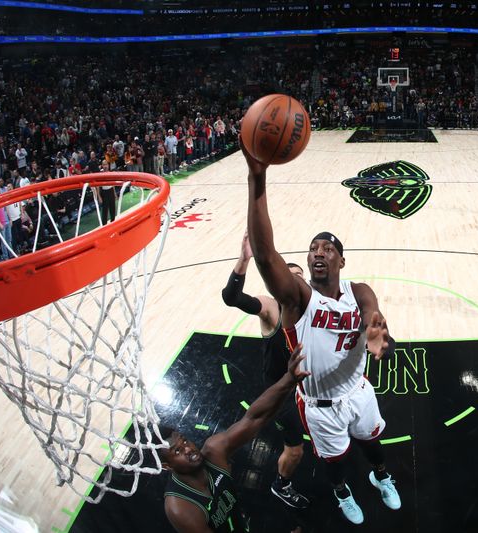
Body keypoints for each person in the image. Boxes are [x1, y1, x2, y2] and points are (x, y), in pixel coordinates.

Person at [242, 142, 401, 525]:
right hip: (319, 405)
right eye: (313, 247)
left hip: (359, 392)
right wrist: (257, 179)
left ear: (341, 260)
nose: (318, 252)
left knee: (372, 444)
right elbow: (266, 256)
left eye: (327, 248)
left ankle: (381, 476)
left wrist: (381, 335)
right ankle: (342, 493)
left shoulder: (358, 290)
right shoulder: (298, 298)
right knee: (334, 461)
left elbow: (375, 319)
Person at [159, 343, 309, 533]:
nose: (188, 448)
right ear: (167, 466)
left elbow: (255, 417)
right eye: (177, 451)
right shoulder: (181, 508)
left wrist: (288, 379)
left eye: (185, 441)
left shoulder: (214, 450)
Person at [221, 233, 310, 510]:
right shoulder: (271, 307)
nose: (295, 280)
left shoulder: (313, 307)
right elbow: (231, 297)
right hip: (280, 390)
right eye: (289, 274)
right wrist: (243, 260)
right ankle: (281, 485)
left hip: (310, 388)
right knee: (295, 448)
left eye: (300, 276)